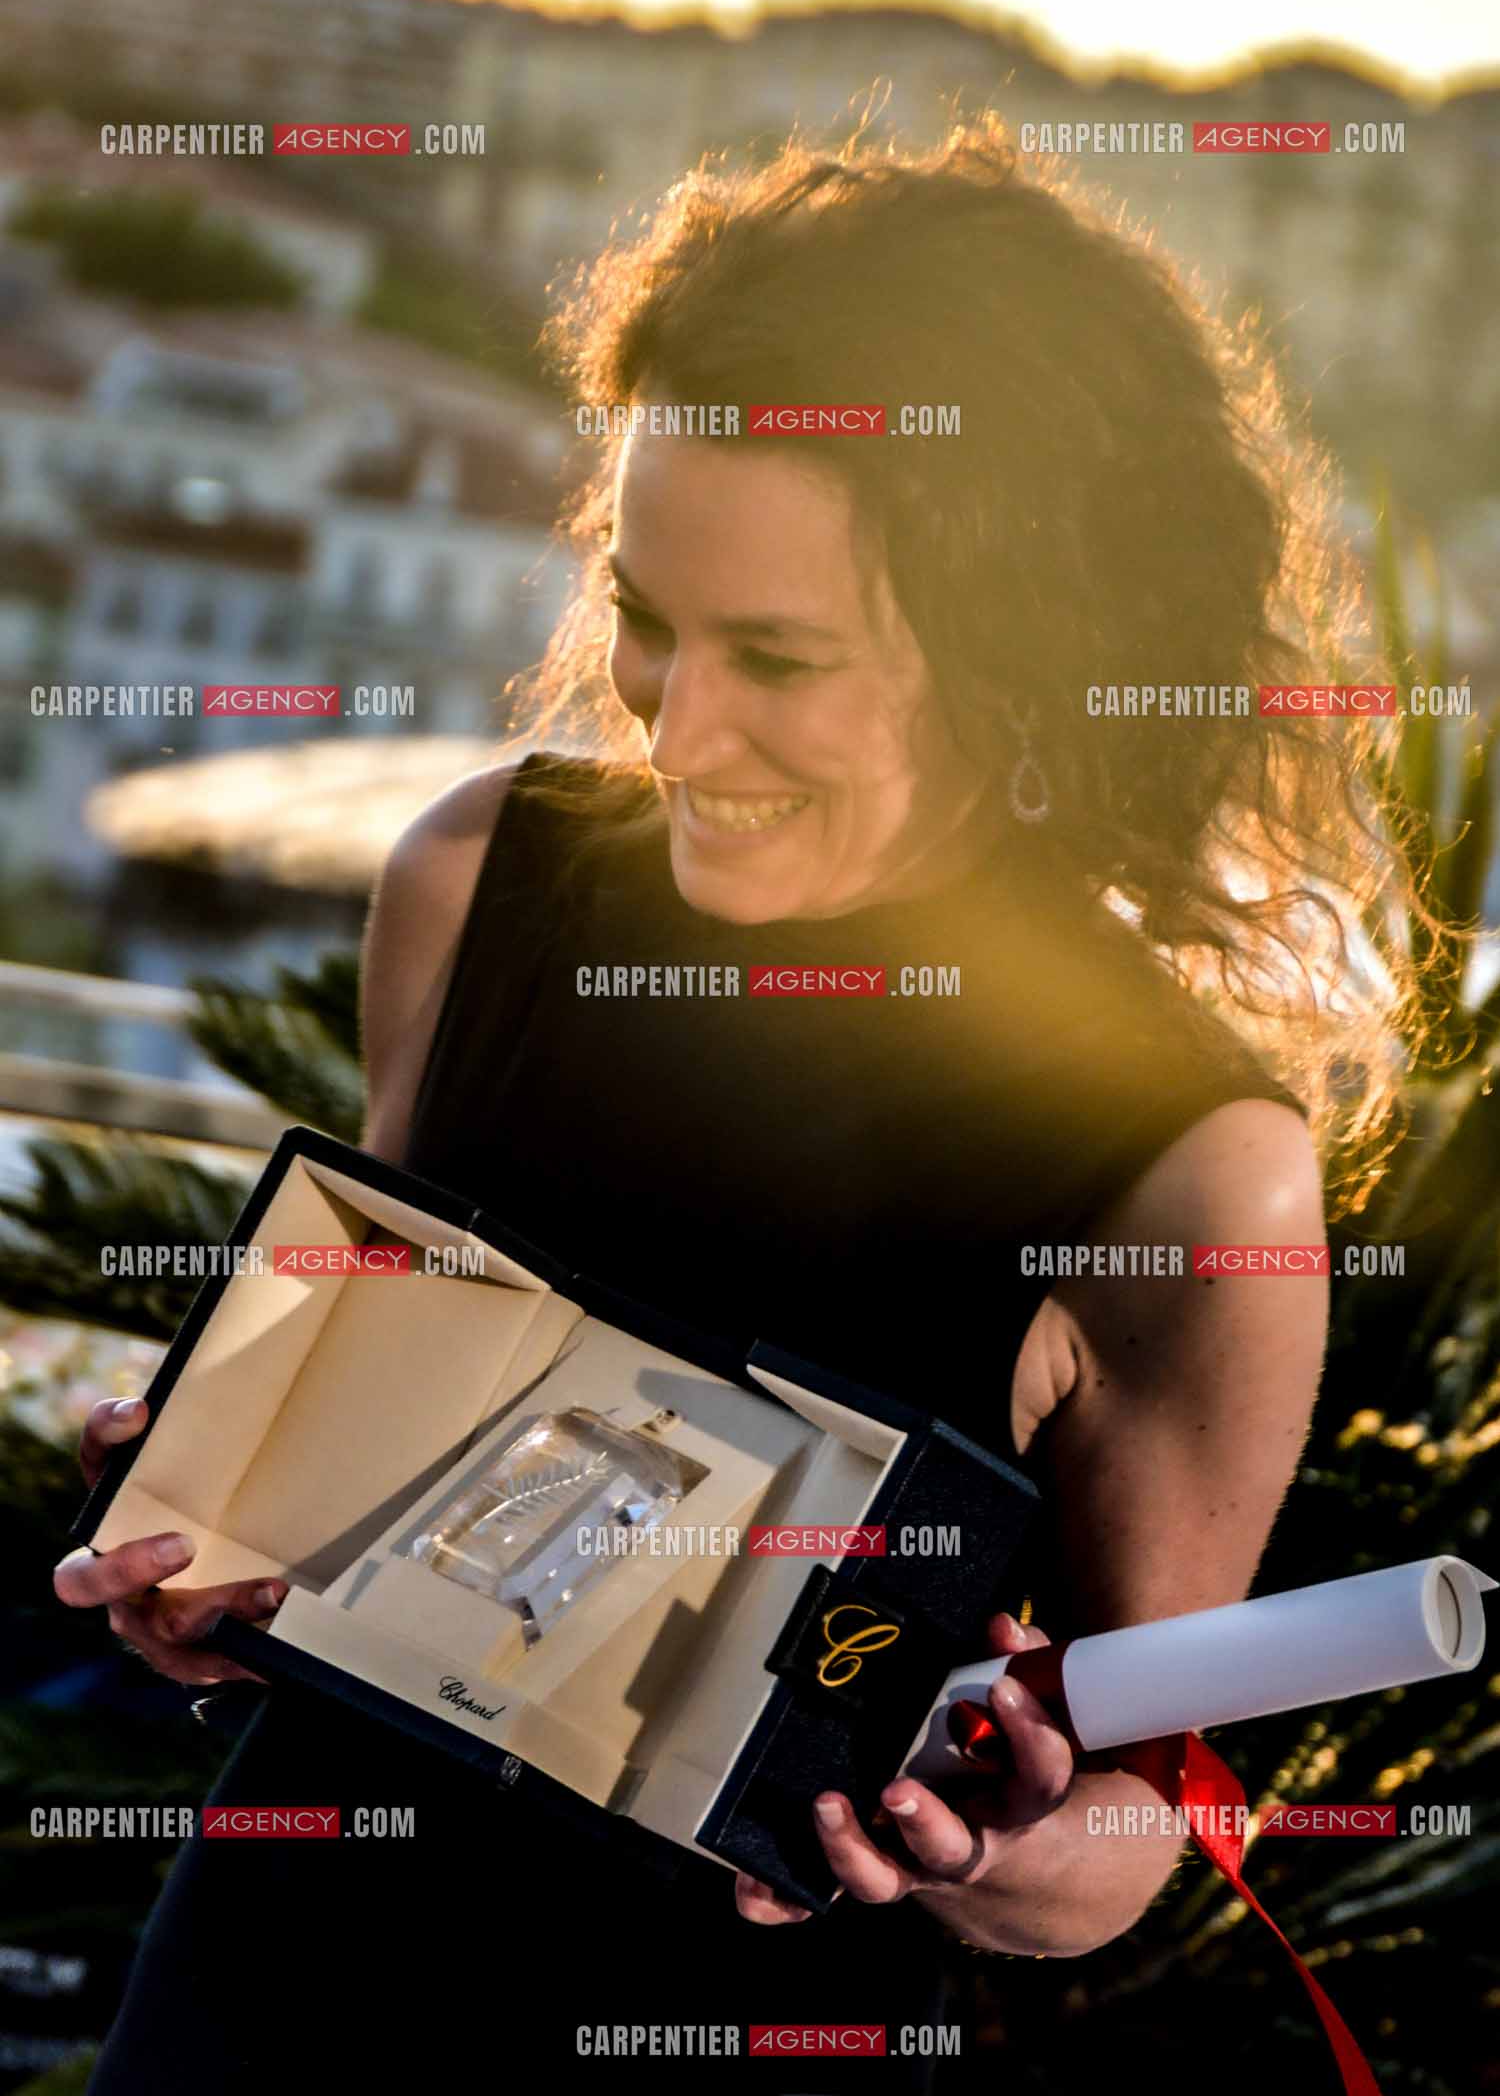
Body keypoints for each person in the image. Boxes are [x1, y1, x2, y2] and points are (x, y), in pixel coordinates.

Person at [56, 117, 1439, 2092]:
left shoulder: (1193, 1169)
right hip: (267, 2003)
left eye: (777, 657)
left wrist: (996, 1847)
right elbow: (381, 1482)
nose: (678, 724)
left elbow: (1133, 1825)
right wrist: (214, 1551)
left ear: (1029, 660)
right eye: (647, 616)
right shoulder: (479, 883)